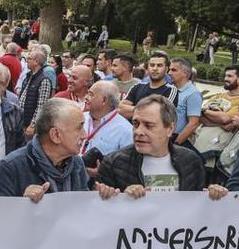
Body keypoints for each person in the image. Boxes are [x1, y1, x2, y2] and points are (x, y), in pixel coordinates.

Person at [96, 95, 224, 198]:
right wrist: (119, 197)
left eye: (149, 125)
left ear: (169, 128)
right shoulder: (113, 163)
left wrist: (214, 195)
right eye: (136, 124)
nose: (138, 131)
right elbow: (99, 212)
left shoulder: (191, 161)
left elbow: (198, 209)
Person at [0, 98, 90, 201]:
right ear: (55, 135)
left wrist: (101, 198)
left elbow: (83, 209)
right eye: (79, 128)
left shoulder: (77, 164)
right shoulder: (10, 168)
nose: (85, 135)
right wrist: (22, 203)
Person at [81, 80, 133, 174]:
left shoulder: (125, 131)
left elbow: (127, 169)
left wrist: (102, 173)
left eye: (91, 94)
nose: (86, 98)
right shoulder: (80, 118)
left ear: (104, 100)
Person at [120, 51, 174, 119]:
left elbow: (161, 115)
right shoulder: (137, 86)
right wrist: (148, 112)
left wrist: (131, 110)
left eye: (159, 65)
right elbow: (120, 109)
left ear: (166, 69)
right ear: (148, 68)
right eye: (152, 65)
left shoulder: (171, 90)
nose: (155, 69)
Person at [167, 58, 203, 150]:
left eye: (174, 70)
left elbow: (193, 123)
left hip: (174, 140)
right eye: (169, 69)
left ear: (185, 73)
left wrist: (176, 144)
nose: (169, 73)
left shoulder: (193, 93)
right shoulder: (169, 89)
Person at [19, 49, 54, 139]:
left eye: (29, 58)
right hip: (22, 121)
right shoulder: (29, 76)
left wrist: (33, 125)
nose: (27, 60)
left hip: (29, 124)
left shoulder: (44, 80)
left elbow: (42, 105)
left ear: (36, 62)